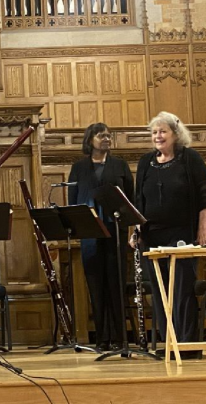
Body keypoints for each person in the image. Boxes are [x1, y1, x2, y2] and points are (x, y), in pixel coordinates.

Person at [130, 111, 206, 360]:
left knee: (182, 290)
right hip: (152, 237)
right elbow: (138, 202)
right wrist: (135, 231)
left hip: (182, 234)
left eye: (162, 131)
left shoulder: (191, 159)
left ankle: (187, 347)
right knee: (159, 291)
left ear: (175, 134)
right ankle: (168, 343)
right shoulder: (146, 162)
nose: (158, 136)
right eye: (154, 132)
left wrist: (203, 229)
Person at [68, 122, 133, 351]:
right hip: (90, 234)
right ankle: (102, 338)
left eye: (108, 135)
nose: (106, 138)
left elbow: (130, 200)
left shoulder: (120, 165)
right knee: (95, 285)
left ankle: (120, 337)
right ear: (90, 140)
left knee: (116, 283)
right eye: (100, 135)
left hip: (115, 231)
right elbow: (73, 200)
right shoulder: (79, 168)